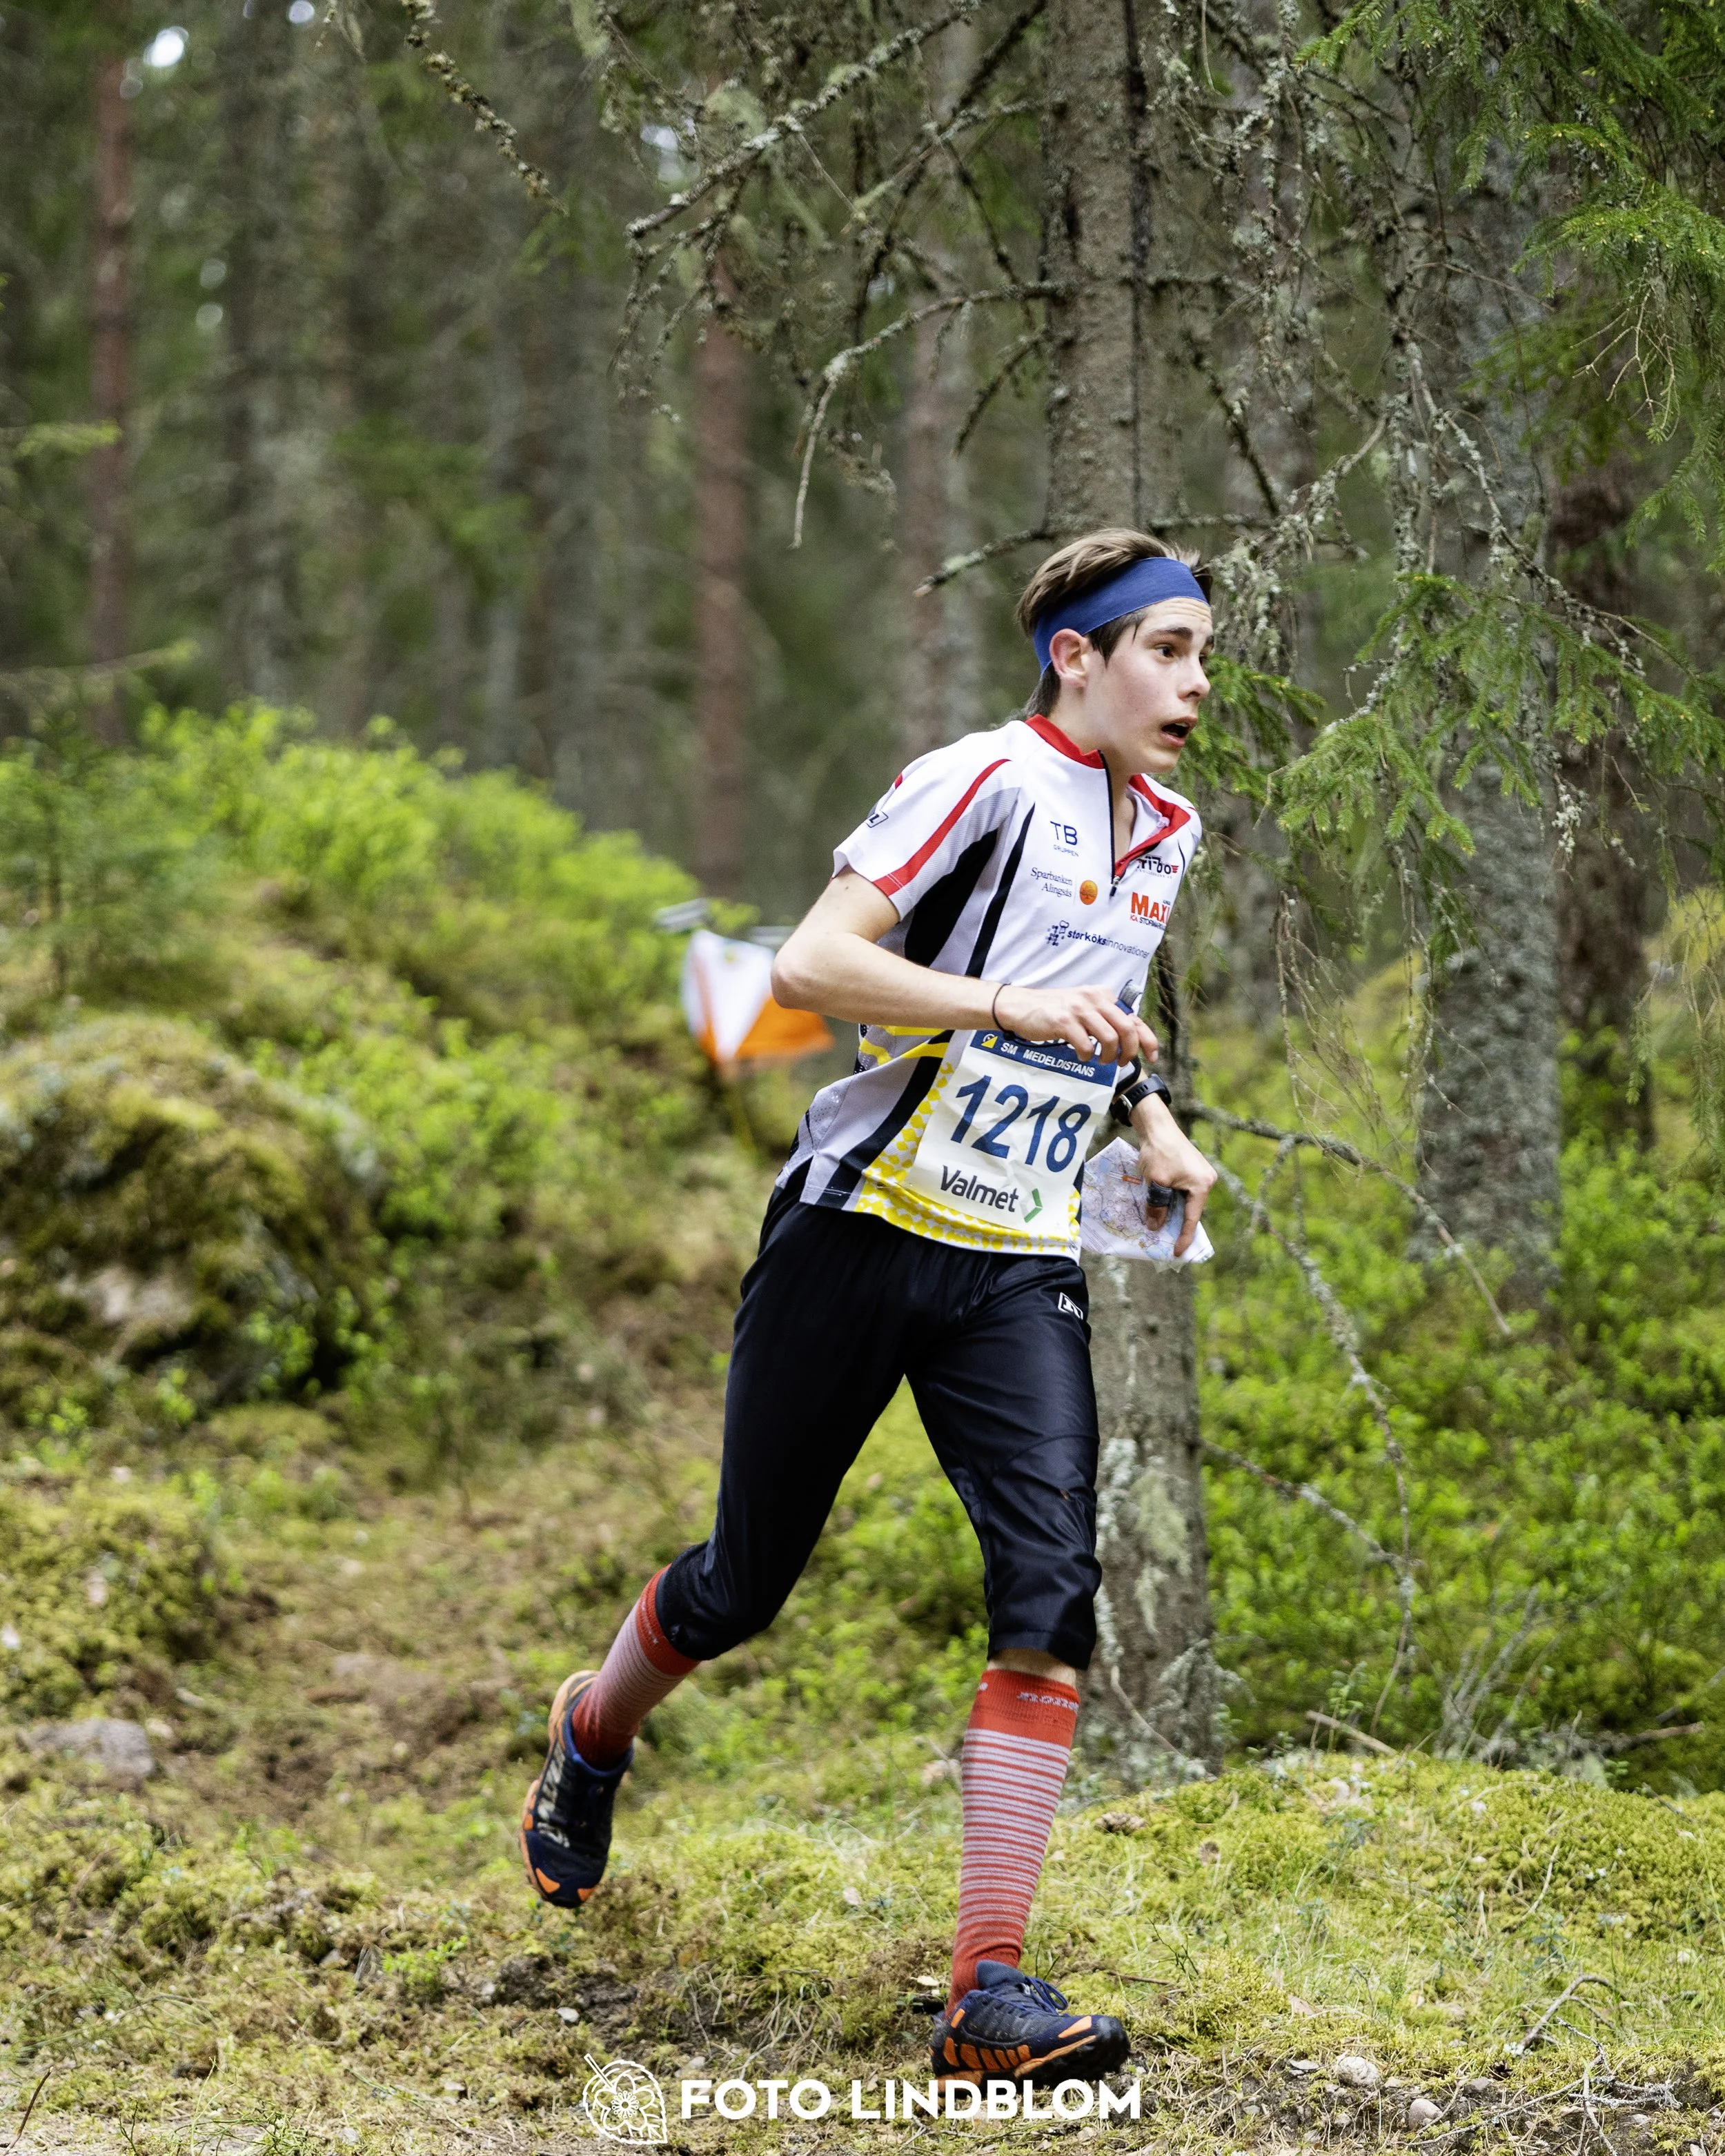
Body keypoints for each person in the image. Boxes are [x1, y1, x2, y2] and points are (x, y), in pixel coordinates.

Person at [520, 528, 1219, 2087]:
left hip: (1011, 1259)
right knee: (740, 1584)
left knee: (1049, 1593)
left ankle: (987, 1993)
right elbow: (814, 957)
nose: (1191, 683)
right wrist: (991, 1004)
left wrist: (1148, 1115)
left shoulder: (1164, 828)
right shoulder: (975, 776)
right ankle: (591, 1730)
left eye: (1201, 656)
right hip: (856, 1229)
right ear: (1077, 656)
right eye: (1164, 649)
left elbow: (1086, 988)